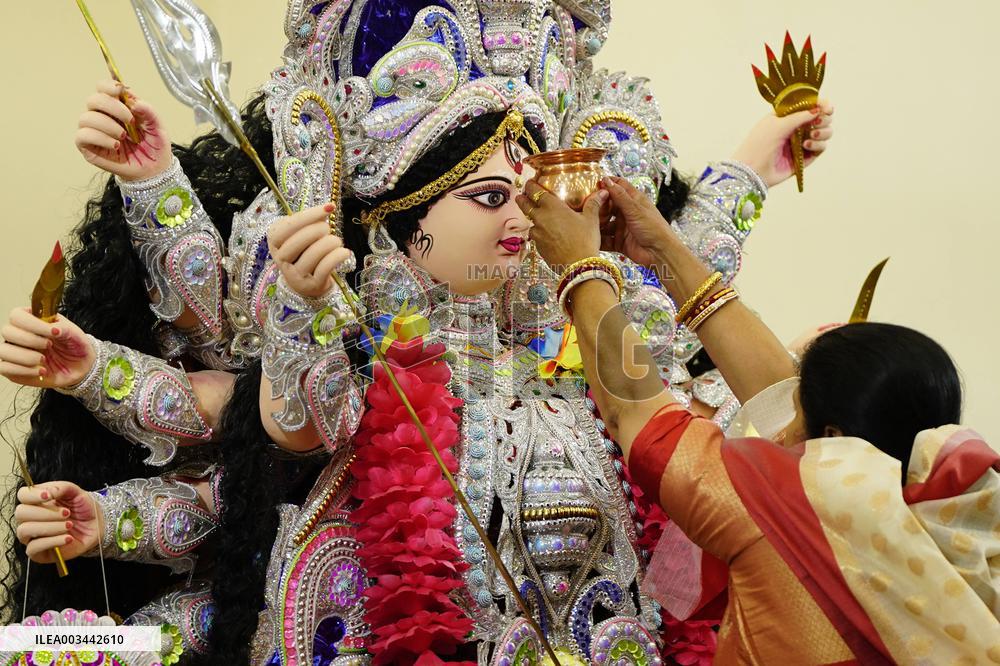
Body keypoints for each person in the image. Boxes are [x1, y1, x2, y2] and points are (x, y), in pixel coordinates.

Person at [3, 1, 835, 663]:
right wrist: (287, 296)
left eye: (529, 193)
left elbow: (670, 396)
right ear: (402, 221)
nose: (520, 220)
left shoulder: (585, 349)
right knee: (51, 653)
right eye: (485, 197)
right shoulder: (363, 353)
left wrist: (752, 170)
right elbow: (288, 427)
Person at [518, 175, 1000, 663]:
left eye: (797, 412)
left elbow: (632, 410)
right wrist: (663, 251)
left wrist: (580, 269)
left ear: (833, 439)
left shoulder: (789, 504)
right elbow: (778, 393)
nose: (780, 424)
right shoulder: (960, 502)